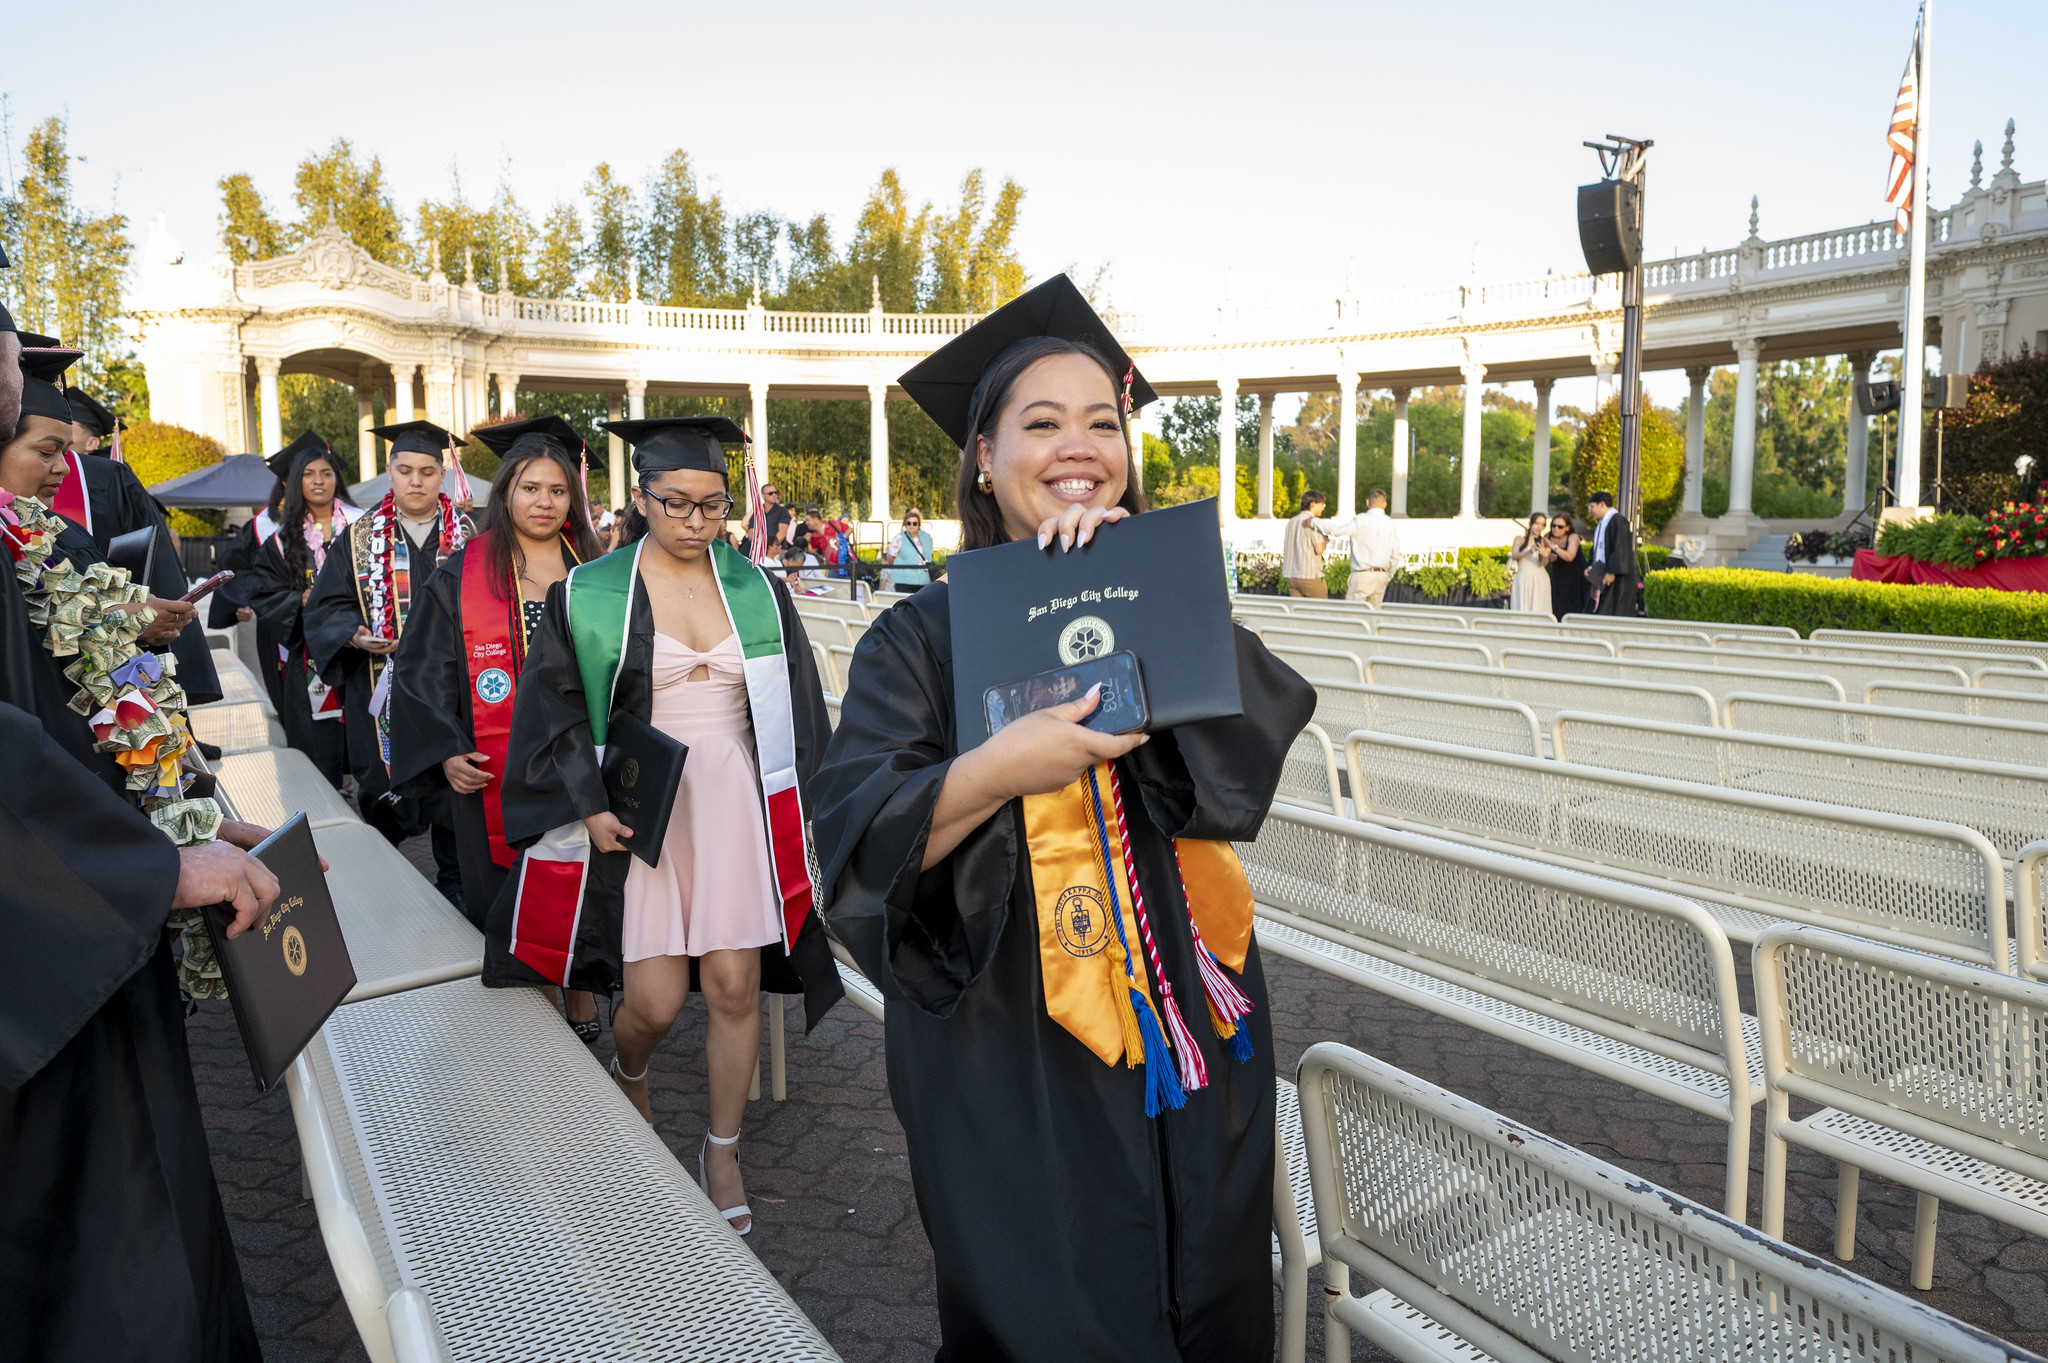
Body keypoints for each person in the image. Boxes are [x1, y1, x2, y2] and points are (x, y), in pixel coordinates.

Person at [814, 273, 1313, 1360]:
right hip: (1007, 1041)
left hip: (1191, 1016)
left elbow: (1241, 770)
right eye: (1039, 423)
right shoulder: (918, 638)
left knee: (1209, 1285)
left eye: (1102, 422)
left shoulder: (1163, 595)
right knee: (1049, 1312)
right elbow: (857, 842)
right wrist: (996, 769)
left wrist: (1157, 583)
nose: (1076, 445)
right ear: (983, 459)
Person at [486, 415, 842, 1237]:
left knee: (733, 985)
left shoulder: (759, 588)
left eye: (712, 506)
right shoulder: (589, 591)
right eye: (675, 503)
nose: (694, 522)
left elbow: (797, 713)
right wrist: (588, 798)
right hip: (647, 808)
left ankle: (722, 1149)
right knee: (649, 1000)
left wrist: (804, 813)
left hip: (733, 803)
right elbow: (556, 710)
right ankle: (632, 1067)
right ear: (638, 497)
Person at [387, 415, 605, 1040]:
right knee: (516, 898)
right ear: (506, 491)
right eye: (530, 488)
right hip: (497, 769)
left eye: (557, 490)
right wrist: (446, 751)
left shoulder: (593, 569)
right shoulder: (463, 573)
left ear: (572, 499)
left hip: (580, 767)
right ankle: (538, 1025)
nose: (544, 502)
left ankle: (584, 1005)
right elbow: (421, 672)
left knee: (582, 891)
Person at [302, 421, 468, 893]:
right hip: (380, 685)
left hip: (453, 693)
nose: (416, 480)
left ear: (443, 476)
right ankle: (386, 894)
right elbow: (327, 606)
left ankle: (457, 894)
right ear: (390, 473)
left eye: (428, 470)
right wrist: (353, 636)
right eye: (405, 469)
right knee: (384, 803)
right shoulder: (357, 538)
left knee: (455, 806)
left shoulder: (471, 535)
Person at [41, 381, 222, 706]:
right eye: (45, 451)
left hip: (108, 691)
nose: (62, 467)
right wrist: (121, 619)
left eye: (64, 448)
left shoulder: (88, 502)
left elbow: (148, 583)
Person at [244, 434, 359, 786]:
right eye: (309, 474)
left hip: (358, 643)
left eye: (326, 473)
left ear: (337, 478)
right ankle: (325, 793)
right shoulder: (282, 538)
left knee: (361, 717)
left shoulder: (361, 525)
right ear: (297, 482)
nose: (319, 481)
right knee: (316, 727)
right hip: (308, 648)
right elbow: (264, 591)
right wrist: (302, 599)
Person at [1335, 486, 1400, 604]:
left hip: (1362, 575)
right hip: (1381, 575)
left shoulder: (1360, 520)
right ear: (1385, 504)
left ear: (1367, 502)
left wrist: (1315, 523)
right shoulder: (1391, 524)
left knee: (1352, 615)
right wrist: (1389, 575)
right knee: (1373, 617)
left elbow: (1338, 531)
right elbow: (1395, 555)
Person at [1585, 490, 1637, 616]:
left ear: (1602, 504)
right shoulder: (1602, 523)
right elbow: (1597, 549)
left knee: (1614, 610)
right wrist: (1591, 566)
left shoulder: (1618, 521)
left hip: (1616, 578)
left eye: (1592, 507)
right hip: (1603, 575)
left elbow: (1621, 548)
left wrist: (1612, 571)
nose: (1590, 510)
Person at [1282, 488, 1340, 597]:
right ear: (1313, 504)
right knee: (1319, 610)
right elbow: (1318, 549)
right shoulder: (1313, 522)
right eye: (1322, 504)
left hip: (1291, 575)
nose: (1323, 508)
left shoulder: (1291, 522)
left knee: (1298, 611)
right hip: (1309, 575)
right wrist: (1326, 541)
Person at [1508, 512, 1553, 615]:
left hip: (1539, 578)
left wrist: (1545, 555)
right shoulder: (1519, 539)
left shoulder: (1545, 542)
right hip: (1523, 577)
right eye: (1537, 523)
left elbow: (1544, 564)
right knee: (1522, 608)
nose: (1539, 527)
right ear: (1531, 523)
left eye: (1542, 524)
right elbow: (1514, 555)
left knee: (1538, 608)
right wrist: (1529, 551)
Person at [1544, 513, 1587, 619]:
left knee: (1575, 608)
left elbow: (1570, 556)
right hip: (1558, 577)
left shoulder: (1573, 537)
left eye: (1560, 527)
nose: (1556, 529)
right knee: (1557, 607)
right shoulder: (1548, 536)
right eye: (1553, 526)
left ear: (1567, 528)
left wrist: (1553, 547)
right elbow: (1544, 557)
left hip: (1576, 577)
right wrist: (1548, 555)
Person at [882, 507, 935, 592]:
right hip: (904, 581)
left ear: (918, 525)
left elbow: (929, 555)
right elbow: (890, 556)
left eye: (914, 523)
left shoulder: (926, 537)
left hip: (923, 581)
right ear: (905, 524)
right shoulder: (899, 538)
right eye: (908, 523)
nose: (911, 526)